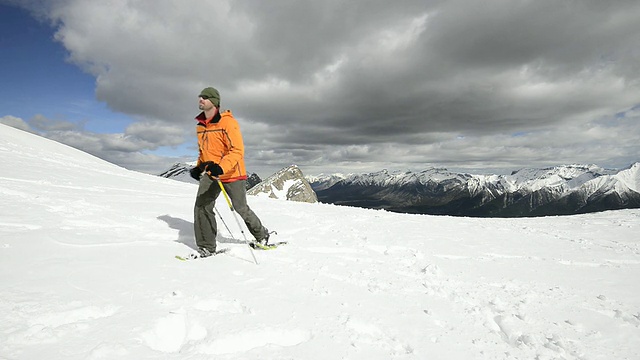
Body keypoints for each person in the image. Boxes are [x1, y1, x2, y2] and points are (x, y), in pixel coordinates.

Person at [189, 87, 269, 257]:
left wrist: (222, 167)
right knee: (202, 206)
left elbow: (237, 150)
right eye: (200, 97)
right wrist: (199, 167)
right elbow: (203, 151)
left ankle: (262, 235)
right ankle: (206, 247)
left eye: (205, 97)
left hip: (232, 173)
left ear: (214, 102)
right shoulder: (200, 126)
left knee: (241, 208)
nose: (200, 99)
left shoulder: (228, 123)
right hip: (211, 173)